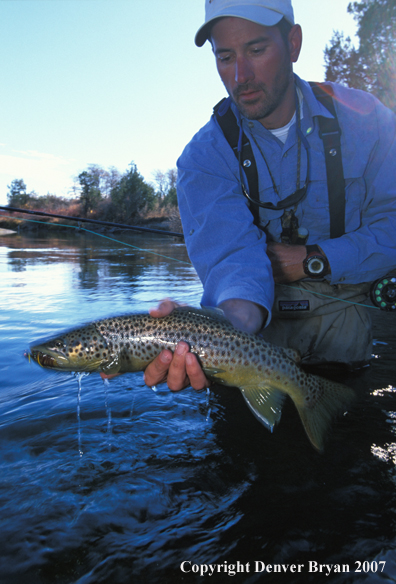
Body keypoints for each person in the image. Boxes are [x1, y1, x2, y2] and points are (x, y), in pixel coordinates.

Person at [143, 0, 396, 391]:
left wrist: (315, 260)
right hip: (246, 353)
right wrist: (210, 332)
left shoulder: (367, 120)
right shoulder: (202, 159)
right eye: (224, 56)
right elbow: (231, 261)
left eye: (257, 50)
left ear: (293, 43)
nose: (240, 75)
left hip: (346, 343)